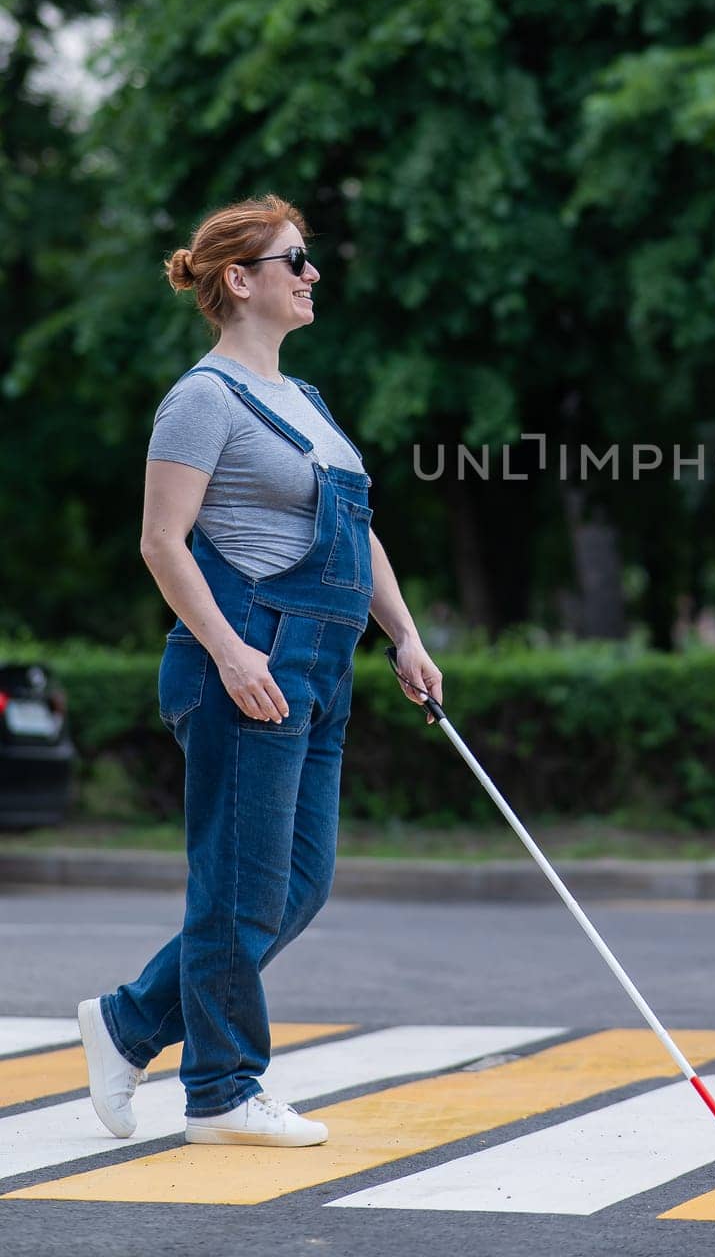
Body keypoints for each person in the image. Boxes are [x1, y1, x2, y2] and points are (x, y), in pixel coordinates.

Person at [77, 194, 443, 1148]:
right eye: (294, 261)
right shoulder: (201, 399)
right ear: (240, 280)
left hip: (325, 664)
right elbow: (163, 542)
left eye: (308, 260)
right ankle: (224, 1091)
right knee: (238, 886)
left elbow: (356, 537)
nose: (312, 274)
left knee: (297, 884)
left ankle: (128, 1022)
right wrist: (230, 652)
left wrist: (403, 635)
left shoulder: (307, 402)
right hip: (246, 659)